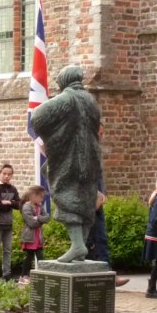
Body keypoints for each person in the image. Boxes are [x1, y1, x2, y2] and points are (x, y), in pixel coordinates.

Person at [29, 65, 100, 262]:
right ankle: (81, 247)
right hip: (92, 157)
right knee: (85, 199)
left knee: (66, 195)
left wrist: (55, 132)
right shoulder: (91, 100)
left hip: (71, 158)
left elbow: (38, 117)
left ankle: (77, 246)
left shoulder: (67, 98)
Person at [0, 163, 19, 279]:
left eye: (9, 174)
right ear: (0, 174)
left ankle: (6, 274)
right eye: (4, 174)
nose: (6, 176)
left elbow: (19, 204)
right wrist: (11, 203)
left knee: (8, 250)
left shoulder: (13, 189)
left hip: (8, 224)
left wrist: (8, 202)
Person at [19, 185, 50, 284]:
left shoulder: (39, 206)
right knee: (29, 256)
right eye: (41, 197)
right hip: (30, 237)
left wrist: (37, 218)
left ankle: (42, 275)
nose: (42, 199)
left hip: (38, 237)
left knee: (40, 256)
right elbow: (32, 223)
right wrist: (40, 219)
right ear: (33, 196)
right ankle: (24, 275)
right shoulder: (26, 207)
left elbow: (47, 217)